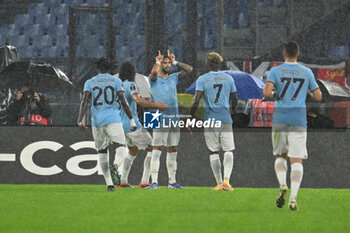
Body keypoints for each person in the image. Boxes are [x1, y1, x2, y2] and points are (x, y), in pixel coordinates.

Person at [263, 41, 322, 211]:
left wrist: (276, 93)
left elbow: (266, 93)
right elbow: (318, 96)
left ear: (283, 53)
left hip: (280, 118)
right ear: (299, 53)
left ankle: (282, 184)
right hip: (299, 119)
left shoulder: (275, 71)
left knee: (280, 156)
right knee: (297, 160)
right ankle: (294, 198)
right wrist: (308, 90)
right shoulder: (306, 72)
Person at [77, 57, 137, 192]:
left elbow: (85, 101)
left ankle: (109, 184)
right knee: (121, 146)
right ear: (110, 68)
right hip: (113, 118)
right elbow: (123, 101)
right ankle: (115, 166)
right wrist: (131, 120)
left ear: (98, 68)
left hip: (97, 120)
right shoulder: (116, 81)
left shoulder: (90, 82)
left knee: (102, 151)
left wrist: (80, 119)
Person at [190, 52, 238, 191]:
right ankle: (226, 181)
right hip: (226, 118)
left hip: (211, 120)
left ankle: (218, 183)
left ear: (207, 64)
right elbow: (235, 98)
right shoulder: (229, 78)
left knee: (213, 151)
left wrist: (191, 116)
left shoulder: (202, 79)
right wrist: (232, 109)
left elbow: (196, 100)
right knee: (228, 149)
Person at [115, 61, 167, 188]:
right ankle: (144, 181)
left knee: (133, 150)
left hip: (120, 125)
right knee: (153, 148)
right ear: (132, 73)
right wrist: (156, 105)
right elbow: (137, 100)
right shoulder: (131, 84)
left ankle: (123, 181)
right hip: (132, 125)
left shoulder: (117, 85)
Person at [148, 50, 193, 189]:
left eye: (168, 63)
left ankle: (172, 182)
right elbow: (153, 74)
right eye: (165, 63)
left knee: (173, 149)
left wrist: (176, 62)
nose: (167, 65)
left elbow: (190, 70)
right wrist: (157, 61)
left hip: (174, 117)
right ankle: (154, 182)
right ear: (160, 64)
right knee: (156, 149)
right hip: (158, 117)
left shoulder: (174, 77)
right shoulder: (153, 79)